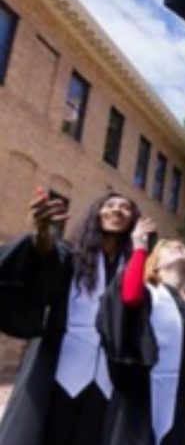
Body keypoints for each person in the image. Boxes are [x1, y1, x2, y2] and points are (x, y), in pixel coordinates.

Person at [0, 188, 140, 445]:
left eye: (125, 207)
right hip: (62, 366)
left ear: (133, 220)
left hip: (107, 376)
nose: (117, 209)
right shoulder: (73, 254)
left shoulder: (133, 266)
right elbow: (47, 257)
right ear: (98, 214)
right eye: (110, 205)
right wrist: (41, 232)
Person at [97, 221, 185, 445]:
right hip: (144, 399)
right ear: (155, 265)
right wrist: (139, 248)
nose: (178, 246)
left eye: (182, 246)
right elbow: (129, 296)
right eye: (168, 247)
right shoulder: (150, 295)